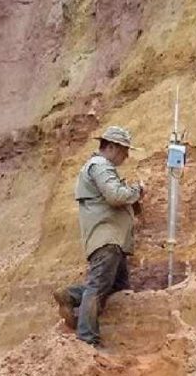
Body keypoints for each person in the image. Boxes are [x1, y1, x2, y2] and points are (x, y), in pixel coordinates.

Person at [53, 126, 144, 346]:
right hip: (107, 239)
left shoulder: (97, 168)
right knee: (97, 287)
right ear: (111, 147)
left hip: (113, 241)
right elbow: (114, 196)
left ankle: (72, 295)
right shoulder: (100, 166)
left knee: (117, 287)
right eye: (124, 150)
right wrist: (137, 190)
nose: (126, 156)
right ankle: (87, 338)